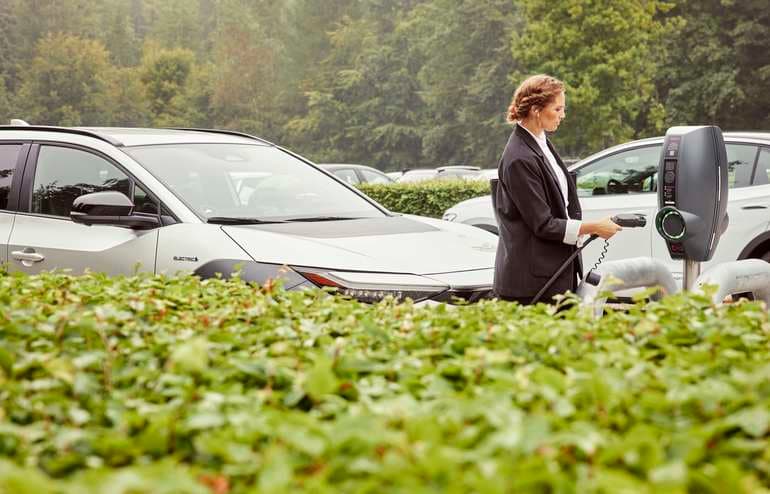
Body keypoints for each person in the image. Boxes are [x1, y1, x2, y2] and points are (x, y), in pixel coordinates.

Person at [493, 74, 621, 305]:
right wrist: (594, 227)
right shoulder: (518, 158)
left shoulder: (540, 141)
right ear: (535, 109)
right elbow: (543, 224)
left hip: (554, 274)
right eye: (558, 108)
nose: (563, 115)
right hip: (533, 285)